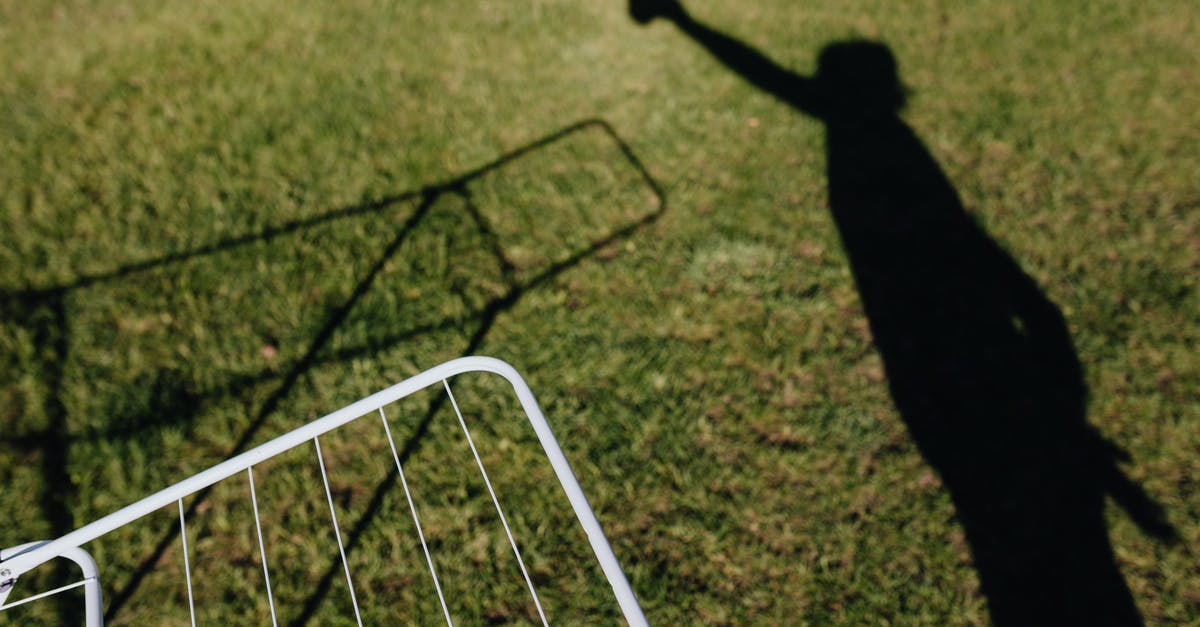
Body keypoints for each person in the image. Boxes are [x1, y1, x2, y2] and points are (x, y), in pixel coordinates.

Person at [630, 2, 1175, 624]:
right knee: (1039, 550)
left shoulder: (867, 137)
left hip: (942, 358)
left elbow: (970, 245)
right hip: (959, 355)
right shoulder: (873, 132)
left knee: (1019, 545)